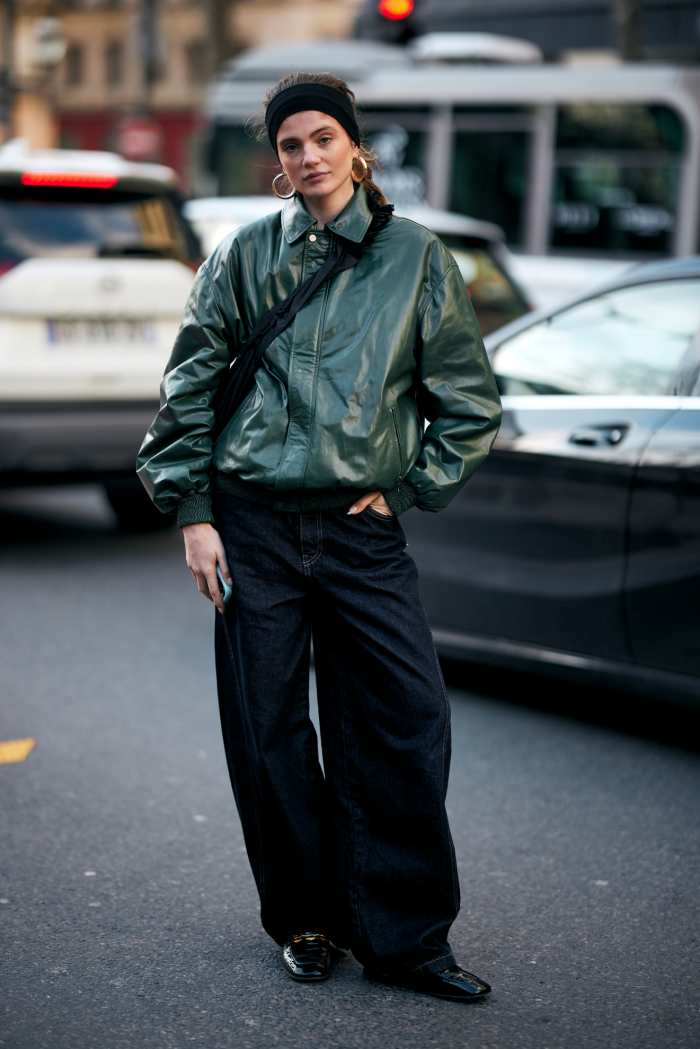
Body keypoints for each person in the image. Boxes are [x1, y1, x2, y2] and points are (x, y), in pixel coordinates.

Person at [135, 71, 503, 1003]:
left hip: (358, 533)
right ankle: (305, 917)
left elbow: (467, 402)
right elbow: (188, 388)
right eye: (290, 143)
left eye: (322, 139)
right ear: (279, 158)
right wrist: (193, 514)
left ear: (354, 146)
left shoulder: (415, 256)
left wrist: (411, 488)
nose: (307, 157)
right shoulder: (244, 255)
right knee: (268, 736)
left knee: (403, 723)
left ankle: (408, 938)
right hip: (251, 527)